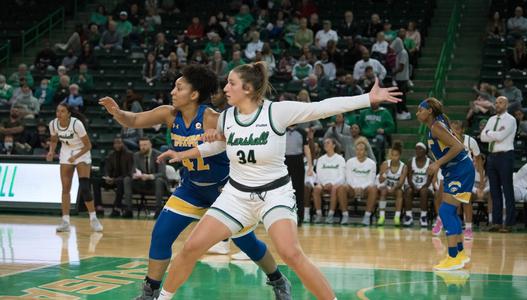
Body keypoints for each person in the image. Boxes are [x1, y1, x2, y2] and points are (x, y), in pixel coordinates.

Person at [154, 61, 400, 299]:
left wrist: (367, 99)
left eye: (231, 83)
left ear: (247, 89)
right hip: (236, 195)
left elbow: (322, 107)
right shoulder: (226, 117)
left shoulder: (276, 111)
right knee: (190, 248)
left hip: (274, 194)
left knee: (290, 253)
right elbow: (216, 146)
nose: (225, 88)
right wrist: (183, 153)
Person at [99, 65, 291, 300]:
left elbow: (243, 137)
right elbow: (136, 119)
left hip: (223, 191)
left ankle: (278, 280)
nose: (172, 91)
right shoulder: (169, 114)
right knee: (161, 234)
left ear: (194, 94)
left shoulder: (212, 117)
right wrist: (117, 112)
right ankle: (150, 292)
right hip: (190, 188)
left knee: (245, 241)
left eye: (178, 87)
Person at [416, 97, 473, 271]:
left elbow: (458, 146)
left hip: (460, 170)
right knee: (449, 211)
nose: (417, 113)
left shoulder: (436, 127)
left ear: (430, 111)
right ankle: (460, 254)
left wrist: (437, 163)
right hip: (454, 171)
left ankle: (453, 257)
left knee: (446, 211)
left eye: (420, 110)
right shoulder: (436, 125)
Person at [46, 103, 103, 232]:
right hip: (66, 153)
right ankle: (65, 221)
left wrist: (76, 156)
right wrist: (51, 151)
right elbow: (54, 140)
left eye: (62, 111)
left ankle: (93, 218)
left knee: (84, 187)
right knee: (65, 189)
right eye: (57, 111)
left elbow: (88, 146)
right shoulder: (53, 124)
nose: (59, 114)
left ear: (68, 113)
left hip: (81, 152)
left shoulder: (76, 124)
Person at [480, 96, 517, 232]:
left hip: (505, 156)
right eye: (496, 103)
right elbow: (482, 137)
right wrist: (492, 133)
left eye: (500, 102)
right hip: (492, 157)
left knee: (507, 190)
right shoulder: (491, 119)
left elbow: (501, 137)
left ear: (506, 104)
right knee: (494, 191)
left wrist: (489, 132)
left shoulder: (511, 119)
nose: (497, 105)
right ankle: (496, 222)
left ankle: (509, 223)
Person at [451, 120, 484, 240]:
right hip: (453, 174)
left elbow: (479, 160)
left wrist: (481, 181)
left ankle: (469, 228)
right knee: (450, 200)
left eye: (457, 129)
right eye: (452, 129)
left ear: (462, 130)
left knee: (466, 200)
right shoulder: (447, 141)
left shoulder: (470, 141)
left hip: (467, 174)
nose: (454, 132)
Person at [338, 141, 378, 226]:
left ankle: (367, 217)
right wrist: (355, 188)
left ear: (366, 152)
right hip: (352, 188)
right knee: (342, 188)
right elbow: (348, 178)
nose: (358, 151)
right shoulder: (349, 162)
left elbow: (371, 180)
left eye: (361, 150)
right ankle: (345, 215)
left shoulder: (372, 163)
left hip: (365, 189)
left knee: (373, 188)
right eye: (357, 149)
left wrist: (361, 188)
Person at [312, 138, 346, 224]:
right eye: (324, 143)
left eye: (328, 143)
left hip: (335, 184)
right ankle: (319, 214)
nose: (325, 144)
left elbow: (342, 176)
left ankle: (330, 215)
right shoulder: (321, 159)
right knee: (316, 189)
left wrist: (332, 183)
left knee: (334, 188)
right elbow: (318, 174)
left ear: (334, 145)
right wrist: (324, 184)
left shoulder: (340, 159)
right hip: (323, 184)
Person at [376, 141, 407, 226]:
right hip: (386, 186)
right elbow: (380, 180)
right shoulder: (385, 164)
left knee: (400, 193)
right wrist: (385, 173)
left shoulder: (404, 167)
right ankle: (381, 217)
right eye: (392, 155)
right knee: (383, 191)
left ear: (399, 156)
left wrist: (393, 188)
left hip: (397, 187)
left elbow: (400, 183)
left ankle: (396, 217)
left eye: (396, 155)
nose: (394, 157)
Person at [403, 142, 433, 226]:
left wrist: (421, 188)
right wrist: (414, 186)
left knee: (423, 191)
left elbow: (429, 181)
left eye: (420, 148)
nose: (417, 150)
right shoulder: (410, 162)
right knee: (408, 191)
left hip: (426, 187)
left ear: (425, 151)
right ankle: (408, 216)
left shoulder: (430, 162)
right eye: (416, 148)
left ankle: (423, 217)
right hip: (413, 185)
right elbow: (409, 178)